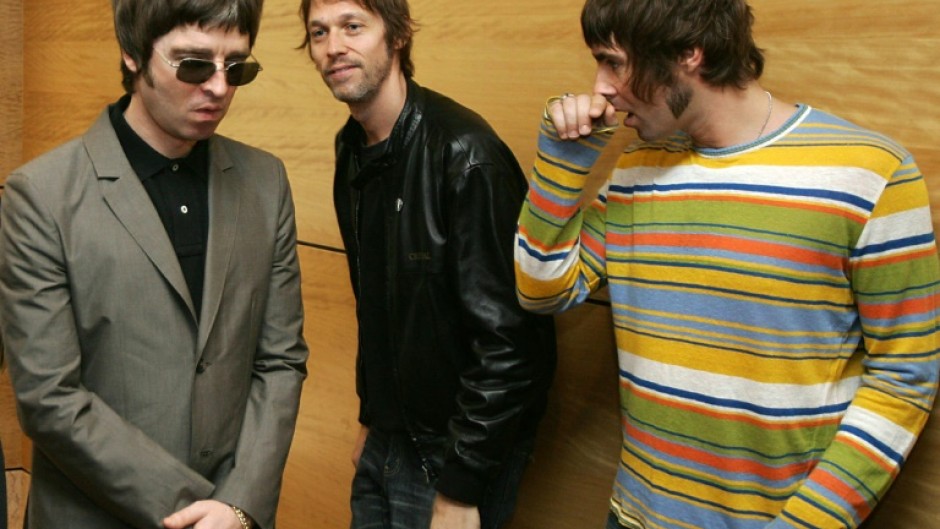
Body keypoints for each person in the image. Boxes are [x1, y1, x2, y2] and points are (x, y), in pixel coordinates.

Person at [514, 1, 940, 528]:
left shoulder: (870, 174)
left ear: (689, 53)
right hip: (634, 517)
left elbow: (905, 377)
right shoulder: (637, 169)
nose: (600, 86)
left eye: (613, 62)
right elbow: (542, 291)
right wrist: (562, 162)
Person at [0, 0, 309, 527]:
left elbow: (280, 360)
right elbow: (49, 397)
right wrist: (194, 511)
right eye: (193, 65)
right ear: (132, 54)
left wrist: (239, 506)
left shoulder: (266, 182)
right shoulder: (41, 196)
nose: (218, 87)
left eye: (237, 67)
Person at [299, 0, 557, 528]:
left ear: (395, 36)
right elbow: (379, 305)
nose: (333, 47)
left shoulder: (465, 154)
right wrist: (372, 417)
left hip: (454, 453)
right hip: (386, 440)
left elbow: (515, 345)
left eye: (353, 27)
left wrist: (460, 487)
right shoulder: (351, 150)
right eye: (319, 32)